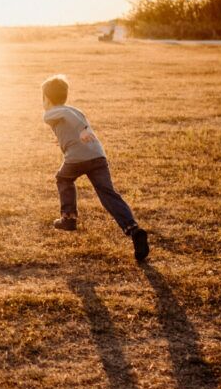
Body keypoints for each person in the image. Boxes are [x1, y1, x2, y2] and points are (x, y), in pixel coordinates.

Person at [41, 74, 149, 261]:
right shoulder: (75, 110)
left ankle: (68, 218)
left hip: (77, 159)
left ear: (46, 98)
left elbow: (68, 119)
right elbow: (73, 123)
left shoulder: (51, 113)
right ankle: (134, 230)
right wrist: (74, 134)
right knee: (108, 193)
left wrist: (82, 129)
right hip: (98, 156)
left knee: (63, 179)